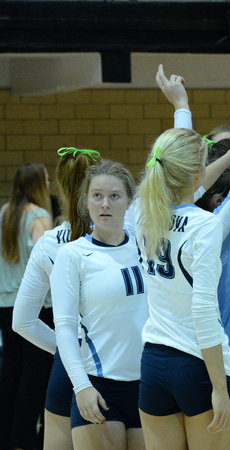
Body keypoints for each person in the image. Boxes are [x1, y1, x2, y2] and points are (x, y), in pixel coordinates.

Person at [135, 127, 230, 449]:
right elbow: (203, 312)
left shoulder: (143, 214)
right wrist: (219, 387)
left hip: (154, 363)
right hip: (198, 366)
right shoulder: (204, 224)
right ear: (196, 173)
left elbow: (187, 192)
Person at [50, 159, 145, 449]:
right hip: (99, 388)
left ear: (129, 201)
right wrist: (81, 386)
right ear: (86, 201)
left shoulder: (146, 245)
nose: (105, 204)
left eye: (114, 196)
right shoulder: (72, 254)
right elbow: (65, 328)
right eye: (97, 196)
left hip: (150, 386)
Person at [12, 147, 99, 450]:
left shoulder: (49, 241)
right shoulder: (123, 235)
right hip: (113, 368)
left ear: (60, 185)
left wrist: (66, 351)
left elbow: (22, 322)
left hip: (67, 371)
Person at [0, 162, 53, 450]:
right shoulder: (39, 217)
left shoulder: (5, 213)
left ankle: (7, 435)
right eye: (46, 179)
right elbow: (44, 260)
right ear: (37, 184)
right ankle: (25, 438)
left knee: (11, 370)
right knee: (34, 374)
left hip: (4, 303)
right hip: (33, 307)